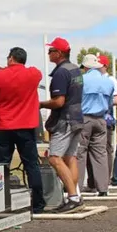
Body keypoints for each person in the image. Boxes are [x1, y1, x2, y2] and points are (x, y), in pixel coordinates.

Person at [0, 46, 46, 213]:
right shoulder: (34, 73)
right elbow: (17, 75)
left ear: (10, 59)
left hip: (4, 127)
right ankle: (38, 205)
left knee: (0, 168)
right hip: (26, 128)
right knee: (32, 166)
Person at [39, 37, 84, 213]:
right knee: (70, 158)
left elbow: (58, 102)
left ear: (58, 53)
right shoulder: (75, 69)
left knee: (55, 158)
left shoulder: (60, 73)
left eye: (51, 51)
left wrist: (41, 104)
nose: (48, 53)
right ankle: (75, 196)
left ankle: (72, 198)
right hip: (77, 118)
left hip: (64, 120)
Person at [77, 54, 115, 196]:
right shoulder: (108, 82)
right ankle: (103, 188)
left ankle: (77, 187)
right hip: (101, 119)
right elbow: (111, 102)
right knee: (100, 154)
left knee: (80, 154)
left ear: (86, 67)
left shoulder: (81, 80)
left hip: (84, 118)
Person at [96, 55, 117, 185]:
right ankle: (94, 180)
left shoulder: (111, 80)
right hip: (94, 117)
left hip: (106, 118)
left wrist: (100, 103)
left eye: (98, 64)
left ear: (105, 66)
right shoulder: (92, 79)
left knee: (106, 149)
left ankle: (105, 178)